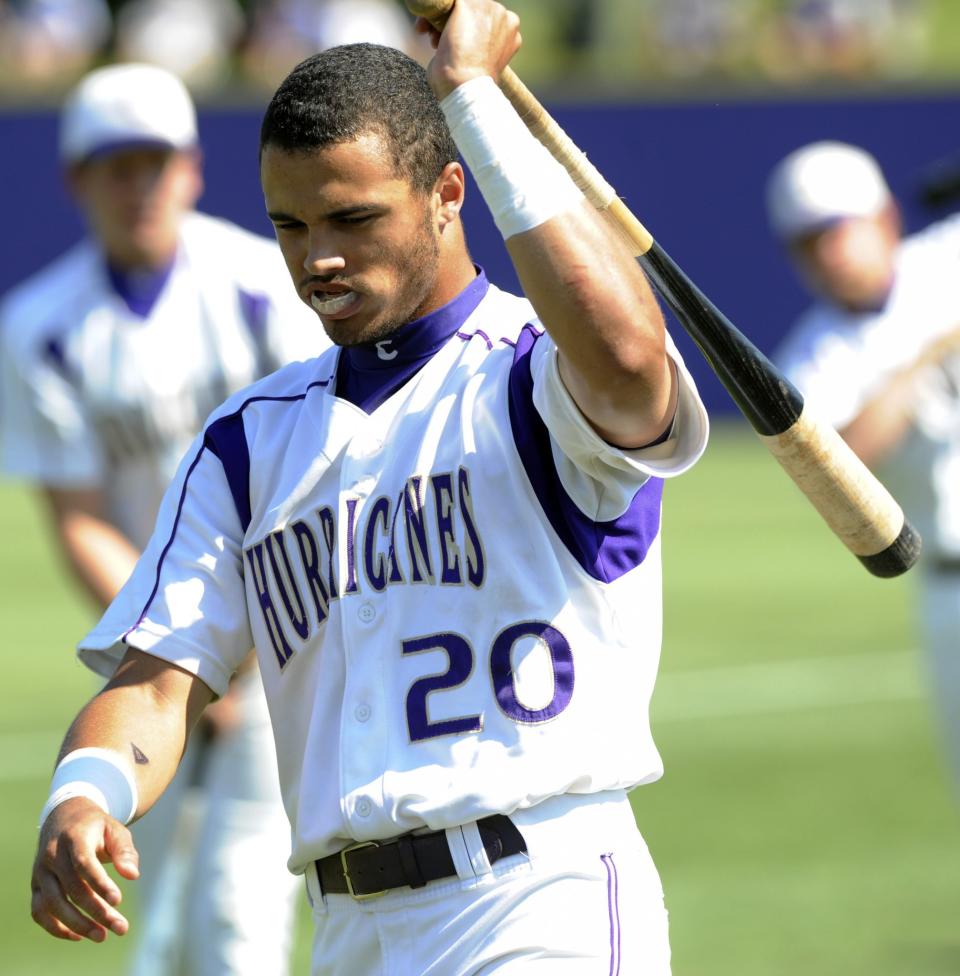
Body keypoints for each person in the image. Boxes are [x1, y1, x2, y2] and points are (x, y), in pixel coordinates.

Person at [28, 4, 710, 972]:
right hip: (348, 929)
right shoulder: (249, 440)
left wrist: (473, 97)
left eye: (353, 218)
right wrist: (84, 793)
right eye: (291, 225)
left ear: (446, 192)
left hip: (537, 896)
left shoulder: (529, 378)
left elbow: (633, 360)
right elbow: (153, 683)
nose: (319, 259)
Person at [2, 62, 328, 975]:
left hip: (285, 628)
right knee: (172, 931)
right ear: (77, 180)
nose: (139, 185)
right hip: (155, 656)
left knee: (238, 922)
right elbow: (78, 518)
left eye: (155, 161)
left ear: (190, 167)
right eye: (116, 165)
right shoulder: (40, 330)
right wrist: (182, 643)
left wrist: (243, 641)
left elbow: (316, 463)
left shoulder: (262, 282)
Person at [767, 140, 960, 786]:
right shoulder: (813, 357)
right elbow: (838, 469)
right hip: (949, 585)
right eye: (805, 243)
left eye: (834, 232)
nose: (824, 255)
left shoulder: (945, 258)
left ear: (884, 220)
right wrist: (920, 363)